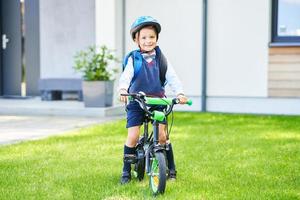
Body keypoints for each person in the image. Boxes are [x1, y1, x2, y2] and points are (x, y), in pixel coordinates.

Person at [118, 16, 188, 184]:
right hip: (137, 100)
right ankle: (126, 172)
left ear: (156, 38)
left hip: (157, 101)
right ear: (136, 39)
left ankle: (171, 169)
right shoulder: (133, 59)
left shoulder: (161, 59)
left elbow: (172, 77)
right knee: (133, 135)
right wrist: (122, 89)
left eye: (152, 37)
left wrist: (180, 93)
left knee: (163, 136)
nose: (148, 41)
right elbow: (126, 77)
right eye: (144, 37)